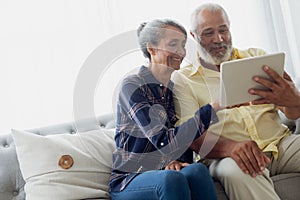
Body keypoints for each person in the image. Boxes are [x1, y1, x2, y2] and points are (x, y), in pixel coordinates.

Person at [172, 3, 300, 200]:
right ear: (193, 35)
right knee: (238, 170)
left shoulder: (257, 57)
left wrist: (294, 100)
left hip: (279, 144)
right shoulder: (184, 79)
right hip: (225, 156)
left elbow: (292, 113)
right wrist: (229, 147)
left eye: (223, 30)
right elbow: (189, 135)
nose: (219, 39)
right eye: (208, 33)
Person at [109, 19, 220, 200]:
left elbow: (181, 135)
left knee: (197, 171)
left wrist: (175, 162)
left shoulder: (176, 89)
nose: (181, 52)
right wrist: (212, 109)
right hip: (131, 178)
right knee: (171, 179)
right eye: (173, 44)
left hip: (167, 171)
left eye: (183, 45)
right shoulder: (133, 86)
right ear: (151, 48)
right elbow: (161, 141)